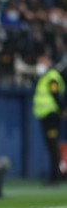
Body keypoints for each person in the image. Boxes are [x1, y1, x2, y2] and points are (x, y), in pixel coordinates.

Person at [33, 54, 67, 185]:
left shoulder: (52, 77)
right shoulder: (44, 77)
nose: (39, 64)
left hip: (51, 116)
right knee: (50, 146)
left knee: (53, 146)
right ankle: (54, 175)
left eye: (41, 61)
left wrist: (62, 110)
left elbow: (56, 95)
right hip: (45, 116)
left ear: (48, 61)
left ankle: (56, 176)